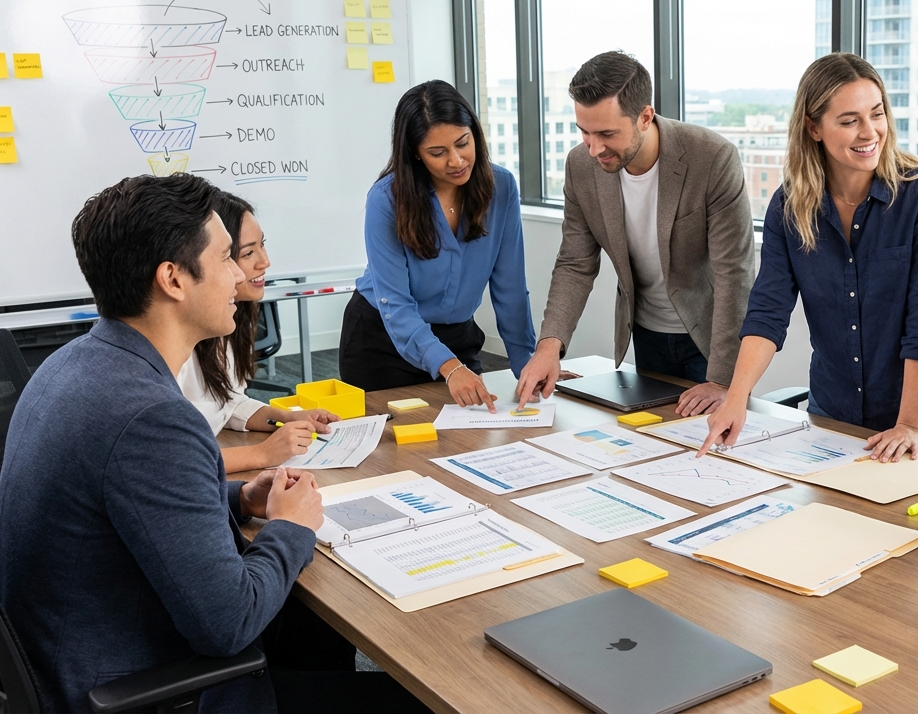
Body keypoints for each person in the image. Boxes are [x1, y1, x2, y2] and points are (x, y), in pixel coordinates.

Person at [0, 174, 425, 712]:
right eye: (227, 257)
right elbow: (230, 622)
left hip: (72, 658)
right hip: (144, 689)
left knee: (310, 630)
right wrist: (293, 525)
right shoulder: (152, 416)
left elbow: (119, 498)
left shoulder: (72, 365)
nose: (240, 273)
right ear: (173, 279)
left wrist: (240, 498)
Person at [700, 53, 918, 462]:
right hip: (833, 404)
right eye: (849, 120)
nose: (869, 131)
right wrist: (736, 399)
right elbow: (768, 313)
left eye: (876, 114)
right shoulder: (789, 207)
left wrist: (908, 424)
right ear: (813, 127)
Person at [514, 51, 755, 416]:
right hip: (645, 333)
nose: (594, 148)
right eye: (585, 133)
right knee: (655, 446)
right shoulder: (581, 166)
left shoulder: (712, 157)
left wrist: (724, 381)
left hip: (711, 340)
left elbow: (733, 275)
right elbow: (575, 264)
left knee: (714, 450)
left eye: (607, 134)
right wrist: (549, 347)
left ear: (645, 117)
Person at [340, 80, 536, 409]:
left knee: (473, 441)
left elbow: (511, 290)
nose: (457, 161)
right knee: (393, 455)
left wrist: (526, 365)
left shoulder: (501, 187)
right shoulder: (386, 200)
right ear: (415, 153)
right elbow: (397, 306)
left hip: (458, 339)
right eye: (438, 152)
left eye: (463, 143)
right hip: (383, 340)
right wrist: (450, 367)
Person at [177, 192, 339, 473]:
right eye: (246, 253)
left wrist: (286, 418)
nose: (264, 262)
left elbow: (227, 402)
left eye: (262, 246)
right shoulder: (171, 350)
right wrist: (261, 455)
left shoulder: (228, 321)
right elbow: (174, 459)